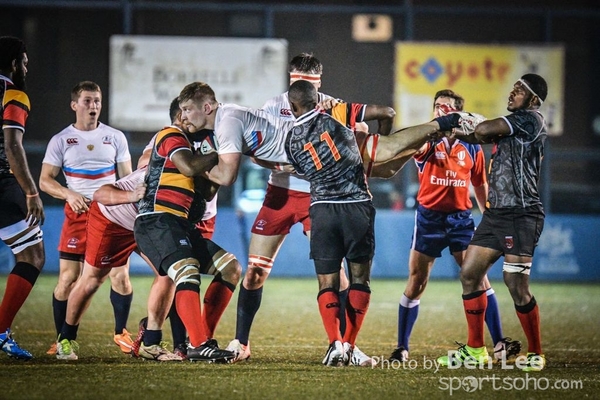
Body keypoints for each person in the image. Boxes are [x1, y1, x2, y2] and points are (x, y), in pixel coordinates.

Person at [228, 53, 394, 366]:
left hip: (320, 197)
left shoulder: (334, 107)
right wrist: (285, 165)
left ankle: (344, 346)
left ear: (319, 83)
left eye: (309, 83)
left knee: (338, 278)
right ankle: (241, 342)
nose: (303, 87)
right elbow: (255, 151)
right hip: (280, 194)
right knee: (255, 272)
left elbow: (360, 133)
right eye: (297, 81)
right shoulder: (273, 106)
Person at [389, 90, 521, 363]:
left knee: (479, 279)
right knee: (417, 281)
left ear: (459, 114)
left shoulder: (472, 147)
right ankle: (401, 347)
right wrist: (432, 128)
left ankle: (499, 343)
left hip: (461, 220)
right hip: (429, 220)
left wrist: (491, 217)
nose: (440, 110)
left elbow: (480, 185)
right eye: (437, 106)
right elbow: (409, 145)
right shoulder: (428, 142)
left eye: (446, 107)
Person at [437, 74, 549, 372]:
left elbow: (484, 129)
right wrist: (454, 132)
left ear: (533, 99)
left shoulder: (531, 120)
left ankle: (536, 353)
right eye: (512, 88)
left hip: (521, 214)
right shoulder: (513, 126)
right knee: (469, 274)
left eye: (519, 90)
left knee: (516, 284)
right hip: (496, 214)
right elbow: (477, 136)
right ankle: (476, 350)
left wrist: (464, 119)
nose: (512, 93)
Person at [133, 97, 240, 363]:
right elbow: (188, 167)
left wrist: (221, 165)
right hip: (156, 220)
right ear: (182, 116)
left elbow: (207, 191)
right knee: (186, 271)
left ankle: (200, 338)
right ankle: (197, 344)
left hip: (180, 223)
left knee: (231, 268)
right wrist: (221, 151)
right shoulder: (171, 134)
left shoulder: (193, 148)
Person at [39, 81, 134, 355]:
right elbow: (45, 180)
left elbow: (127, 178)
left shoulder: (115, 137)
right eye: (88, 101)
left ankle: (121, 333)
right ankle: (63, 339)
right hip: (78, 214)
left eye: (97, 101)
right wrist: (69, 194)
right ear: (74, 105)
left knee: (120, 277)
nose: (94, 106)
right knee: (68, 279)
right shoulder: (61, 140)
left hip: (111, 215)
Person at [0, 36, 45, 360]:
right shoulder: (13, 93)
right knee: (32, 255)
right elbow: (12, 145)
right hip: (3, 184)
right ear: (14, 63)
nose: (26, 69)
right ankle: (1, 330)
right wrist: (31, 191)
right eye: (24, 63)